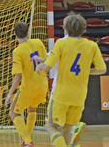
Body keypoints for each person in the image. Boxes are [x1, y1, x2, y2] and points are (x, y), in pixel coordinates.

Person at [36, 14, 106, 147]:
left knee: (51, 126)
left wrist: (40, 67)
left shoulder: (61, 43)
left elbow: (47, 67)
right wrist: (87, 71)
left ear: (65, 29)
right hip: (79, 96)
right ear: (84, 29)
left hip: (61, 94)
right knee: (68, 130)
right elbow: (102, 69)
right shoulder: (92, 46)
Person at [5, 22, 48, 147]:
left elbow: (18, 76)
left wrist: (9, 94)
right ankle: (26, 142)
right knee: (32, 109)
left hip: (29, 87)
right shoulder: (38, 42)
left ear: (15, 34)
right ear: (28, 32)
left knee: (13, 112)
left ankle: (28, 142)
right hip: (42, 84)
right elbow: (46, 62)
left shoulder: (17, 51)